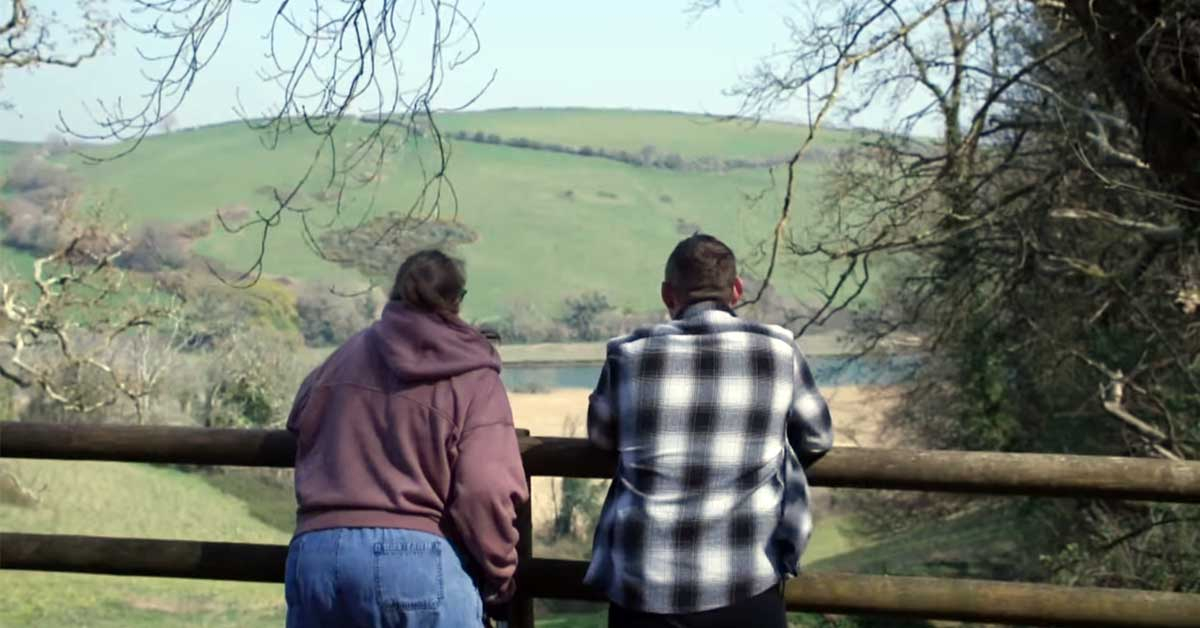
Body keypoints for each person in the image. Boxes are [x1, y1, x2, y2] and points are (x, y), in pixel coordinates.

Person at [583, 234, 834, 628]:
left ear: (669, 295)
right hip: (746, 579)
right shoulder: (779, 349)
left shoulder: (627, 354)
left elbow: (600, 438)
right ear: (736, 290)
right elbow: (818, 436)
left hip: (644, 585)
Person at [284, 249, 528, 628]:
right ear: (456, 300)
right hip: (417, 562)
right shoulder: (475, 377)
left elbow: (298, 419)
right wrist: (500, 571)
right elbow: (485, 488)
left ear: (394, 293)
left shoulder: (339, 359)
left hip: (315, 556)